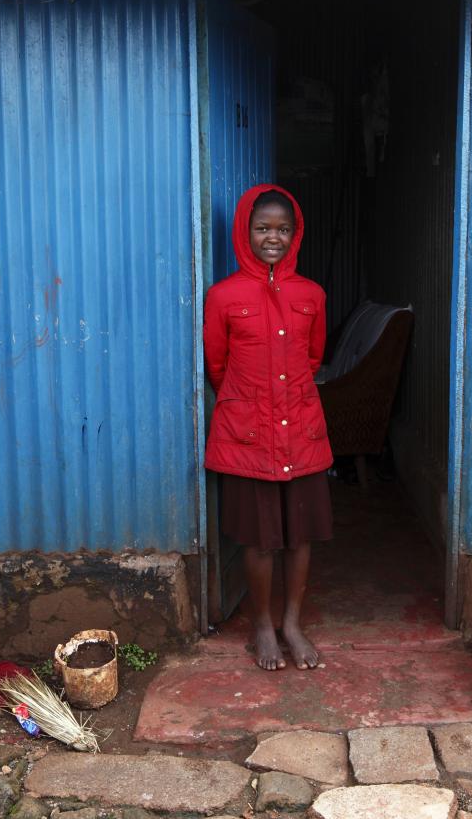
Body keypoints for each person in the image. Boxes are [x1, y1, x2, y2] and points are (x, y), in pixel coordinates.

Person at [203, 184, 334, 671]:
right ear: (245, 232)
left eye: (282, 229)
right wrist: (246, 402)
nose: (272, 237)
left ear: (294, 234)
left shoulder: (312, 294)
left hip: (300, 426)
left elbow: (315, 356)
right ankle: (262, 627)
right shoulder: (223, 296)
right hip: (249, 433)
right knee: (259, 538)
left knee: (300, 536)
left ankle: (292, 625)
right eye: (262, 228)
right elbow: (216, 365)